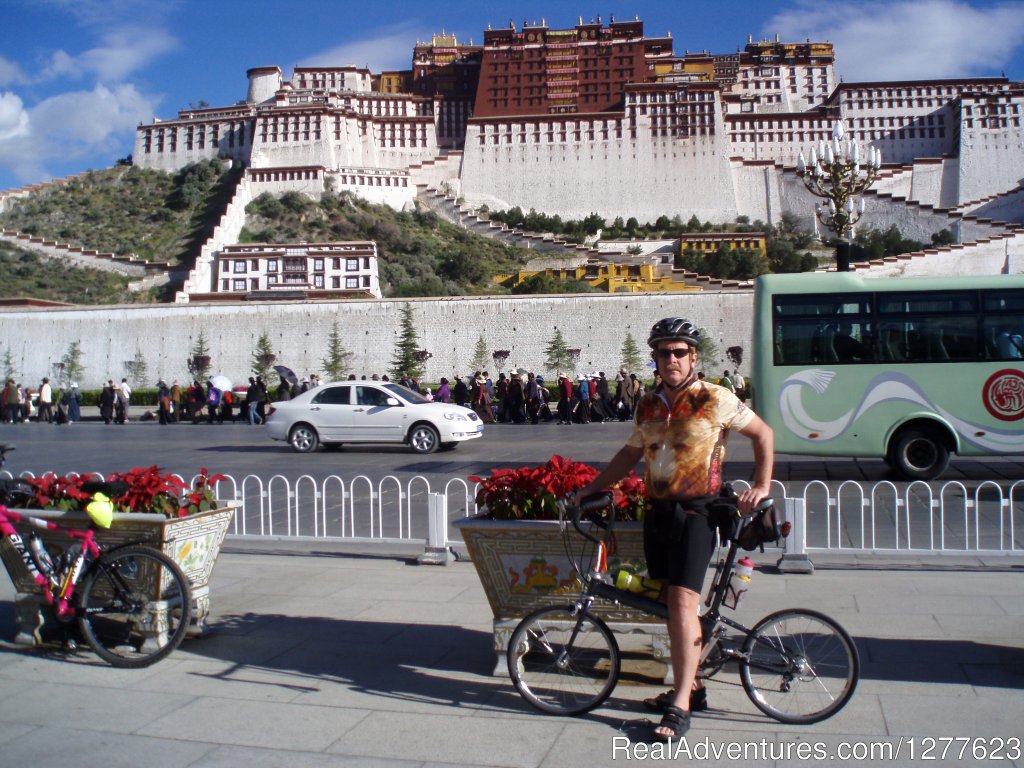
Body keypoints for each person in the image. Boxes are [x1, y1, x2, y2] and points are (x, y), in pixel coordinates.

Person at [572, 317, 774, 742]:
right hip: (659, 512)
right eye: (663, 352)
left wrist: (761, 485)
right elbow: (629, 455)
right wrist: (589, 489)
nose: (671, 360)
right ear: (656, 358)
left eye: (679, 352)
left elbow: (763, 434)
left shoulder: (714, 398)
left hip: (698, 512)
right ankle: (693, 687)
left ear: (694, 357)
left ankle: (679, 705)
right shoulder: (647, 405)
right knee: (670, 603)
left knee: (683, 603)